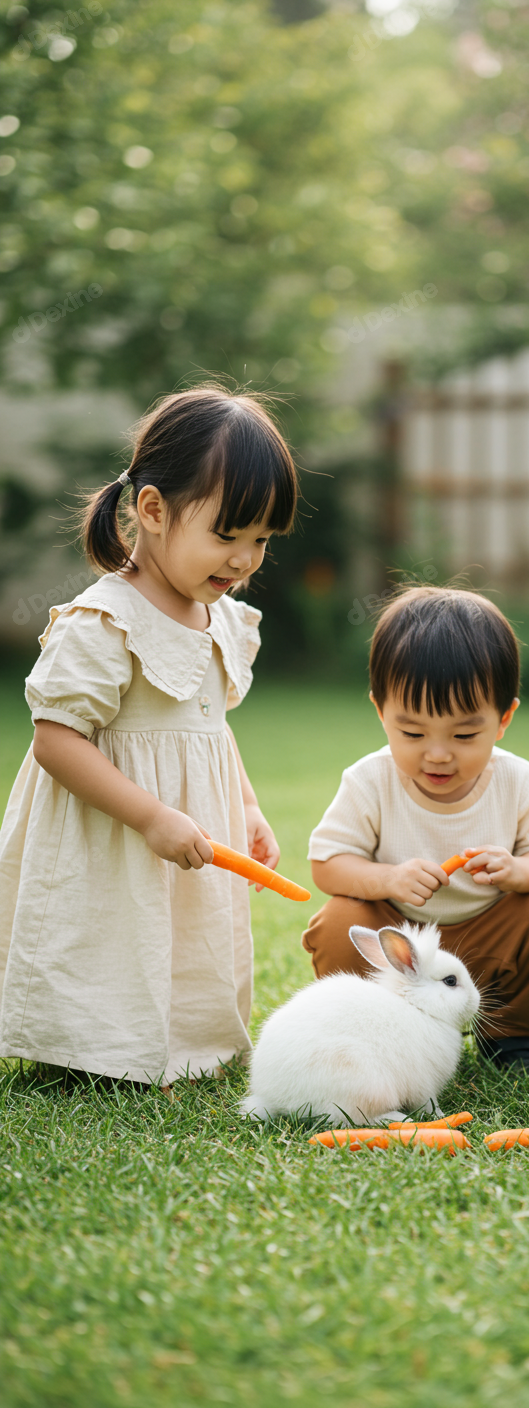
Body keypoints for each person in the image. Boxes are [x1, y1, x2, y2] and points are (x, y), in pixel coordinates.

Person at [0, 385, 298, 1085]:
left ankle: (182, 1045)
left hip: (186, 829)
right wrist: (150, 815)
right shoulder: (105, 621)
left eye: (260, 540)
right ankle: (85, 1052)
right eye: (227, 535)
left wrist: (247, 806)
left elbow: (210, 729)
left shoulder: (217, 616)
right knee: (110, 929)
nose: (245, 559)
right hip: (111, 829)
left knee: (185, 937)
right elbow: (56, 740)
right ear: (154, 510)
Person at [303, 586, 529, 1074]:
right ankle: (376, 1030)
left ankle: (511, 1036)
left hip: (488, 932)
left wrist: (518, 870)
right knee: (336, 922)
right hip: (403, 940)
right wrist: (386, 880)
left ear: (504, 719)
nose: (437, 753)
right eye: (412, 733)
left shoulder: (519, 781)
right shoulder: (370, 780)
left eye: (464, 734)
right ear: (379, 712)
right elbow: (328, 865)